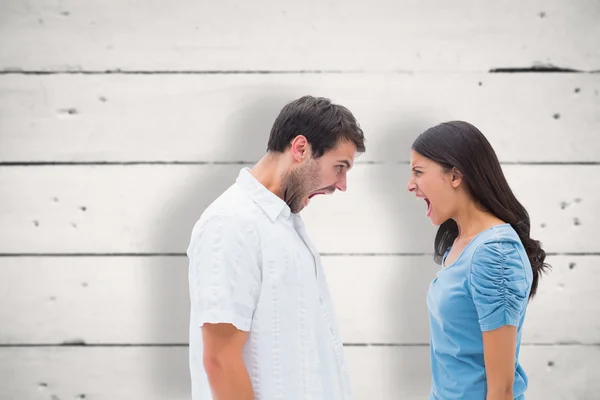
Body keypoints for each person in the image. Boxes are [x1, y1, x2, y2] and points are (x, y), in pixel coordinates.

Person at [186, 95, 365, 399]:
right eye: (339, 166)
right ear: (300, 148)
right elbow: (219, 359)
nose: (342, 184)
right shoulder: (230, 223)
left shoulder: (284, 225)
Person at [406, 121, 550, 400]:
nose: (410, 185)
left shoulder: (495, 252)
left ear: (456, 175)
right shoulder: (461, 243)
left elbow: (501, 389)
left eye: (419, 172)